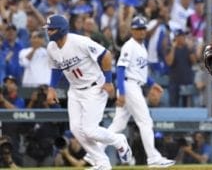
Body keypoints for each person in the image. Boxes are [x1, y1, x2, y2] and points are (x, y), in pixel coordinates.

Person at [44, 14, 132, 170]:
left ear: (61, 30)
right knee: (76, 129)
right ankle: (102, 163)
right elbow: (56, 68)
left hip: (94, 87)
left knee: (90, 130)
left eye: (52, 29)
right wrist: (51, 88)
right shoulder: (51, 47)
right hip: (75, 90)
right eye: (48, 29)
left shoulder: (79, 42)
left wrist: (108, 81)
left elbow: (106, 55)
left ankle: (119, 140)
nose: (48, 32)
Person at [106, 15, 175, 168]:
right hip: (129, 86)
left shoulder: (141, 46)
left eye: (143, 29)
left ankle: (95, 150)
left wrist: (153, 83)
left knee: (118, 124)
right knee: (145, 122)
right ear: (132, 30)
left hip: (134, 85)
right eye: (138, 29)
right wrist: (122, 93)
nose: (142, 32)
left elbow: (140, 73)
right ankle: (153, 157)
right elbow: (120, 69)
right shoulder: (129, 46)